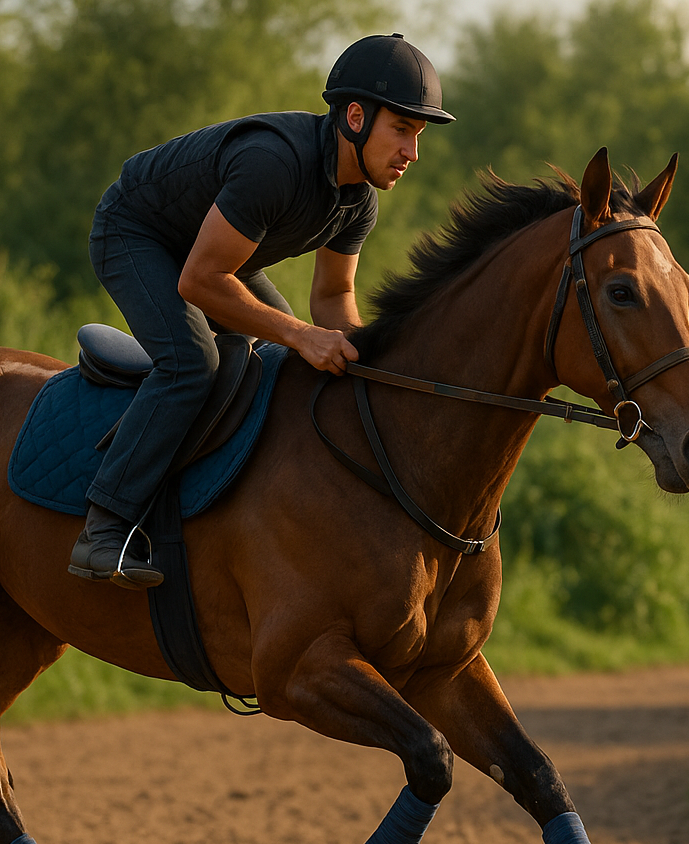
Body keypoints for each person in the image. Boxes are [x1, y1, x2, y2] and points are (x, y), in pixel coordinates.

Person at [67, 33, 454, 588]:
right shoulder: (273, 163)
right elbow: (200, 280)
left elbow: (333, 298)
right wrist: (302, 335)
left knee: (278, 355)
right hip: (138, 232)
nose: (412, 153)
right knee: (193, 362)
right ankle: (104, 527)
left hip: (213, 254)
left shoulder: (357, 200)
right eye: (402, 131)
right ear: (354, 117)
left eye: (418, 136)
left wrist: (372, 363)